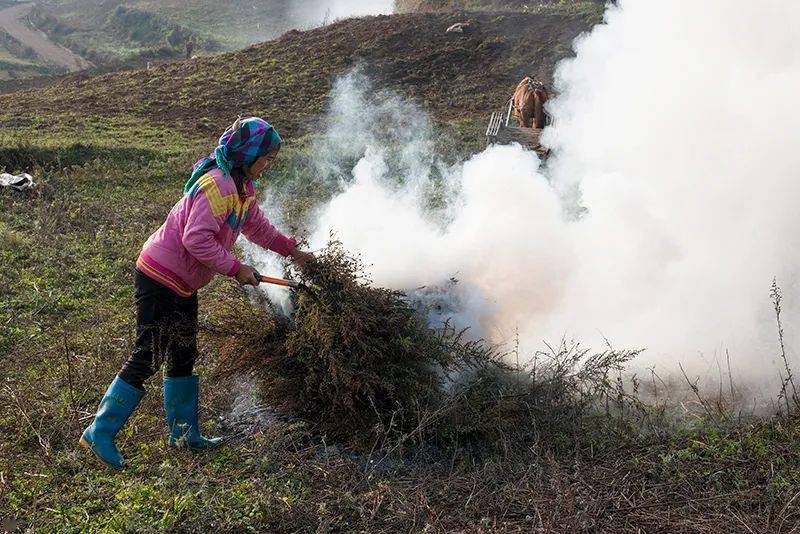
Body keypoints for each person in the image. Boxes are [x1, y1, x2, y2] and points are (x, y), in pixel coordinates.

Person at [79, 117, 313, 469]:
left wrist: (293, 251)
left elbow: (258, 229)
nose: (268, 164)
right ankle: (100, 431)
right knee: (149, 354)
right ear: (247, 155)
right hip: (159, 276)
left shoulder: (242, 190)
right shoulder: (217, 186)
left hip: (184, 283)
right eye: (266, 157)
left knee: (184, 352)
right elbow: (195, 239)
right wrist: (237, 269)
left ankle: (184, 433)